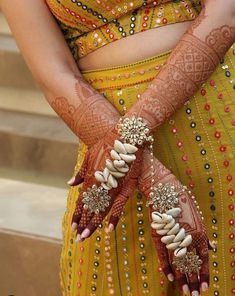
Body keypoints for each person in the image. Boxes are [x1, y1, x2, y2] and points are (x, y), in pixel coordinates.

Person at [1, 0, 235, 295]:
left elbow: (225, 12)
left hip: (213, 125)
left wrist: (125, 143)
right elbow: (53, 73)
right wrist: (155, 180)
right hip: (113, 168)